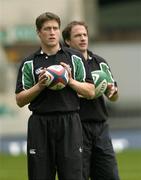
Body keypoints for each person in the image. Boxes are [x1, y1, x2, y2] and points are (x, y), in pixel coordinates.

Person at [15, 13, 95, 180]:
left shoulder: (75, 58)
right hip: (40, 124)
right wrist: (40, 86)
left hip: (69, 122)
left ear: (59, 31)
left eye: (55, 28)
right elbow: (20, 100)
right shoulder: (29, 62)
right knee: (40, 176)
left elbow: (90, 91)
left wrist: (69, 80)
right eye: (47, 29)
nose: (52, 32)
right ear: (38, 32)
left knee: (73, 176)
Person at [62, 21, 120, 180]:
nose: (83, 38)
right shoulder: (65, 65)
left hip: (101, 128)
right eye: (77, 35)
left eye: (84, 35)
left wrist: (112, 91)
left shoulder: (100, 62)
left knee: (110, 176)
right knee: (79, 176)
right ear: (68, 41)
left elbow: (114, 96)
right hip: (76, 127)